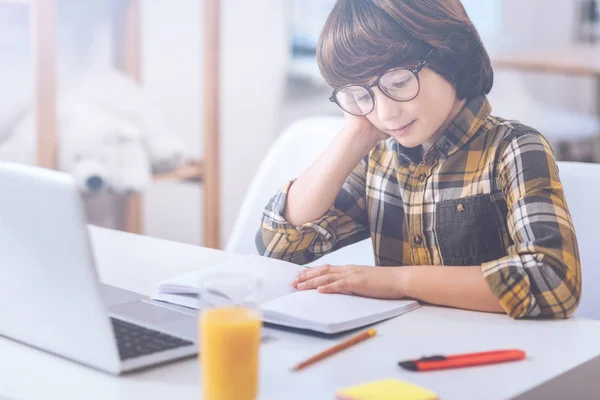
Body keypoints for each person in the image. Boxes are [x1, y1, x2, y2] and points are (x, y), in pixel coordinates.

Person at [256, 0, 581, 319]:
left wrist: (398, 281)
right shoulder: (379, 160)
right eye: (361, 95)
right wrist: (354, 135)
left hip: (503, 357)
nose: (385, 113)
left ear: (450, 55)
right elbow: (280, 245)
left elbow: (553, 280)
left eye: (398, 83)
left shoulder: (512, 149)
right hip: (405, 350)